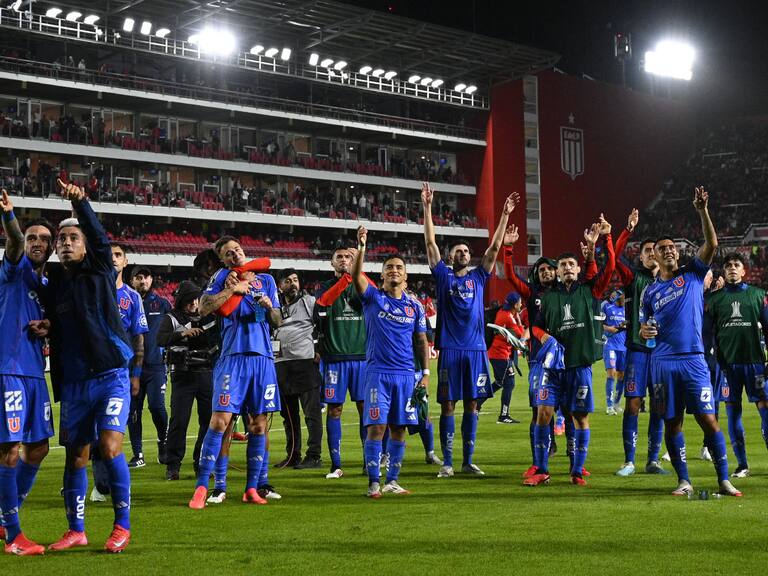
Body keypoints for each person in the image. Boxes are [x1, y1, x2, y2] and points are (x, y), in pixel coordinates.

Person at [46, 179, 133, 553]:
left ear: (84, 246)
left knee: (111, 446)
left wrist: (80, 203)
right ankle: (76, 529)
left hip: (111, 375)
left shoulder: (99, 267)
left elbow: (98, 236)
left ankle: (122, 525)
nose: (66, 243)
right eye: (61, 240)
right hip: (75, 382)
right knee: (76, 455)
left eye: (72, 239)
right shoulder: (54, 285)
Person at [640, 186, 741, 497]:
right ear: (653, 256)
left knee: (708, 419)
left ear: (678, 253)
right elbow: (645, 328)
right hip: (662, 363)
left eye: (673, 247)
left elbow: (712, 243)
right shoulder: (649, 292)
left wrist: (702, 211)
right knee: (673, 423)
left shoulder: (694, 274)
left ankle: (724, 479)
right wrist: (644, 332)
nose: (669, 250)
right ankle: (683, 480)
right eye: (662, 248)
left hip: (694, 359)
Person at [422, 182, 518, 478]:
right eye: (458, 250)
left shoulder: (479, 277)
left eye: (466, 250)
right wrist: (427, 208)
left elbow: (494, 248)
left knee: (473, 405)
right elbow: (430, 245)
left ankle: (467, 461)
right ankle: (448, 463)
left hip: (476, 350)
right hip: (451, 349)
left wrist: (503, 215)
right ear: (451, 257)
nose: (463, 253)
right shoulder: (443, 277)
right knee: (449, 404)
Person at [188, 236, 282, 508]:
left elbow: (277, 320)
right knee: (219, 422)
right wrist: (234, 290)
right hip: (232, 358)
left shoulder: (267, 280)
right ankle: (202, 487)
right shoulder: (221, 279)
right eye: (228, 254)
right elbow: (204, 308)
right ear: (222, 259)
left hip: (262, 358)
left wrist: (267, 305)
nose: (235, 255)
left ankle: (252, 488)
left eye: (237, 250)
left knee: (258, 425)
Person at [525, 216, 615, 486]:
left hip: (579, 367)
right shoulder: (548, 297)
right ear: (558, 270)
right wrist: (547, 338)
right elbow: (535, 328)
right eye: (562, 265)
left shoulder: (591, 290)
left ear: (577, 270)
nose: (566, 268)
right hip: (552, 370)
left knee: (580, 417)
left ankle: (577, 471)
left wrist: (604, 240)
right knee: (543, 413)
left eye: (570, 264)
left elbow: (609, 268)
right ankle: (541, 469)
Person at [351, 226, 429, 497]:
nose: (394, 270)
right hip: (378, 374)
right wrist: (361, 247)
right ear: (382, 274)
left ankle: (392, 481)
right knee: (377, 427)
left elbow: (421, 341)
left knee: (399, 429)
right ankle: (374, 481)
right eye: (389, 267)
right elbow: (355, 276)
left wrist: (426, 373)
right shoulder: (373, 297)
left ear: (405, 275)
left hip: (407, 375)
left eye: (399, 267)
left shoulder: (415, 307)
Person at [0, 190, 54, 556]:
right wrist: (10, 217)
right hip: (9, 370)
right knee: (9, 449)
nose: (36, 242)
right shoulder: (13, 270)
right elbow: (15, 242)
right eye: (32, 237)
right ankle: (13, 535)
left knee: (39, 447)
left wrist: (49, 325)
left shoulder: (46, 286)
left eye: (43, 239)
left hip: (37, 374)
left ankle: (6, 515)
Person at [90, 244, 148, 503]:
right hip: (89, 372)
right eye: (109, 254)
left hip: (119, 375)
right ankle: (97, 484)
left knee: (111, 432)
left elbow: (139, 340)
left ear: (125, 262)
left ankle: (110, 486)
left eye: (118, 255)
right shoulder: (90, 291)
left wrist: (135, 374)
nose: (113, 259)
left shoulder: (133, 297)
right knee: (89, 434)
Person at [500, 225, 560, 477]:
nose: (545, 272)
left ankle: (575, 464)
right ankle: (538, 459)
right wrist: (509, 248)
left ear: (556, 272)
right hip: (538, 359)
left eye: (549, 269)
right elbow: (511, 277)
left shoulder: (567, 292)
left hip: (566, 358)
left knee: (569, 410)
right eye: (541, 270)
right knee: (538, 408)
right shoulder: (532, 292)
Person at [613, 209, 667, 477]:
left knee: (659, 405)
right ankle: (629, 460)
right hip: (636, 351)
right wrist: (628, 230)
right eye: (645, 250)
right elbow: (613, 258)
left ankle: (653, 460)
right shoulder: (633, 278)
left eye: (652, 250)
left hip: (662, 354)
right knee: (633, 403)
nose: (649, 254)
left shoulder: (671, 281)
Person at [705, 252, 768, 478]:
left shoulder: (758, 295)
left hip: (755, 364)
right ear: (724, 271)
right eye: (728, 265)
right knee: (733, 414)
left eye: (736, 265)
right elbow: (706, 333)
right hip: (727, 366)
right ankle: (742, 465)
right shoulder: (714, 300)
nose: (732, 267)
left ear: (743, 271)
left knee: (765, 410)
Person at [315, 247, 369, 479]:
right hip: (335, 359)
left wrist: (359, 271)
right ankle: (336, 465)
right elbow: (322, 306)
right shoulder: (324, 288)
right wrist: (349, 276)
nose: (344, 260)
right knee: (335, 410)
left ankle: (370, 461)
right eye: (340, 257)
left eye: (349, 257)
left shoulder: (363, 284)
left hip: (362, 358)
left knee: (365, 410)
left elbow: (374, 294)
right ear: (332, 263)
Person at [157, 281, 219, 482]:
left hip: (206, 372)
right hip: (182, 374)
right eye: (190, 299)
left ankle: (202, 462)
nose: (194, 303)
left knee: (208, 420)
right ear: (182, 300)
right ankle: (172, 465)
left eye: (196, 298)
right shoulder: (171, 318)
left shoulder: (208, 317)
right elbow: (160, 339)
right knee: (179, 421)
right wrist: (183, 333)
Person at [274, 268, 323, 470]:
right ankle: (293, 455)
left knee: (311, 413)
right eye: (288, 281)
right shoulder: (273, 305)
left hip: (305, 362)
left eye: (295, 280)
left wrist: (319, 349)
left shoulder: (310, 302)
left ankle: (314, 456)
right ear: (280, 286)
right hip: (281, 364)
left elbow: (323, 326)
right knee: (288, 415)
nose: (293, 283)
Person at [130, 266, 173, 467]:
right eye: (139, 278)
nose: (143, 281)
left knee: (157, 407)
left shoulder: (162, 304)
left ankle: (163, 440)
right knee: (133, 411)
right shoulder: (125, 302)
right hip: (131, 367)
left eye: (146, 277)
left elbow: (174, 329)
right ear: (132, 281)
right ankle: (138, 454)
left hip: (156, 366)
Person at [485, 292, 525, 424]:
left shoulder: (502, 312)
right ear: (515, 305)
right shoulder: (508, 317)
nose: (521, 304)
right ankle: (502, 415)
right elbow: (520, 334)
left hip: (498, 354)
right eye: (520, 302)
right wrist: (519, 321)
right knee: (506, 383)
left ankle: (478, 405)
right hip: (500, 354)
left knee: (502, 382)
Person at [602, 289, 627, 415]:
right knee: (611, 373)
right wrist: (609, 329)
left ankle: (617, 403)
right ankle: (609, 405)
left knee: (621, 376)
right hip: (610, 345)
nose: (624, 300)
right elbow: (598, 323)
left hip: (623, 347)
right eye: (622, 298)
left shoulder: (627, 310)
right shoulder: (607, 307)